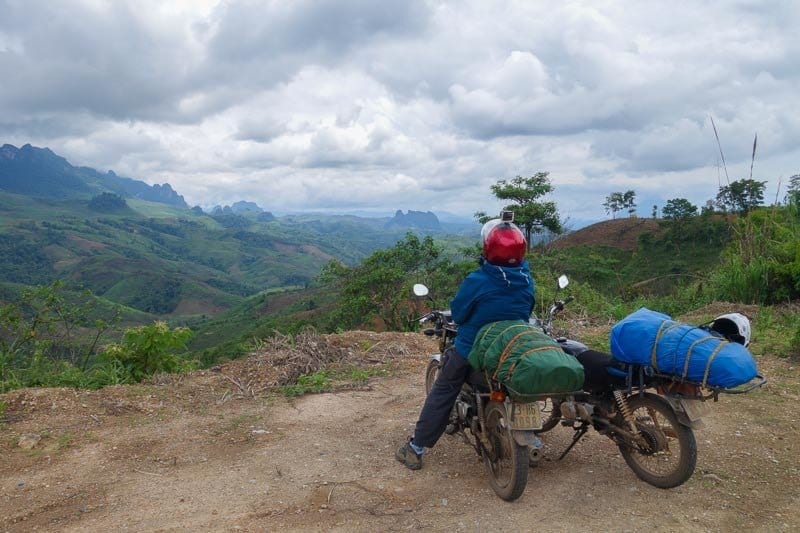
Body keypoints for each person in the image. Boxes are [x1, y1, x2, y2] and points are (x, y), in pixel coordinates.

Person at [396, 216, 535, 470]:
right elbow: (527, 310)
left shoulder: (479, 280)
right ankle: (530, 435)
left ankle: (416, 448)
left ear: (487, 248)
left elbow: (458, 314)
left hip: (473, 348)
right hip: (513, 346)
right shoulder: (526, 278)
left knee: (444, 389)